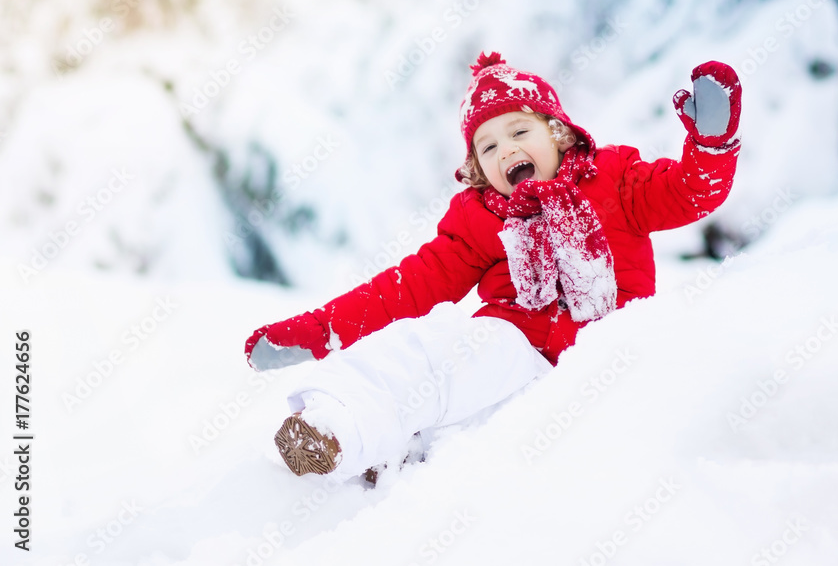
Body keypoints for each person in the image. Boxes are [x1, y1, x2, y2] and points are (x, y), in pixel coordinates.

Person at [244, 51, 743, 479]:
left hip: (609, 353)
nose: (506, 149)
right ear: (479, 170)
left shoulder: (615, 179)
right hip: (514, 349)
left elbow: (688, 193)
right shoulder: (481, 217)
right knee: (444, 348)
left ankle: (407, 451)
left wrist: (710, 146)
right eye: (488, 147)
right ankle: (337, 424)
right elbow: (405, 289)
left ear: (558, 134)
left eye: (519, 130)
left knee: (487, 427)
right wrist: (316, 331)